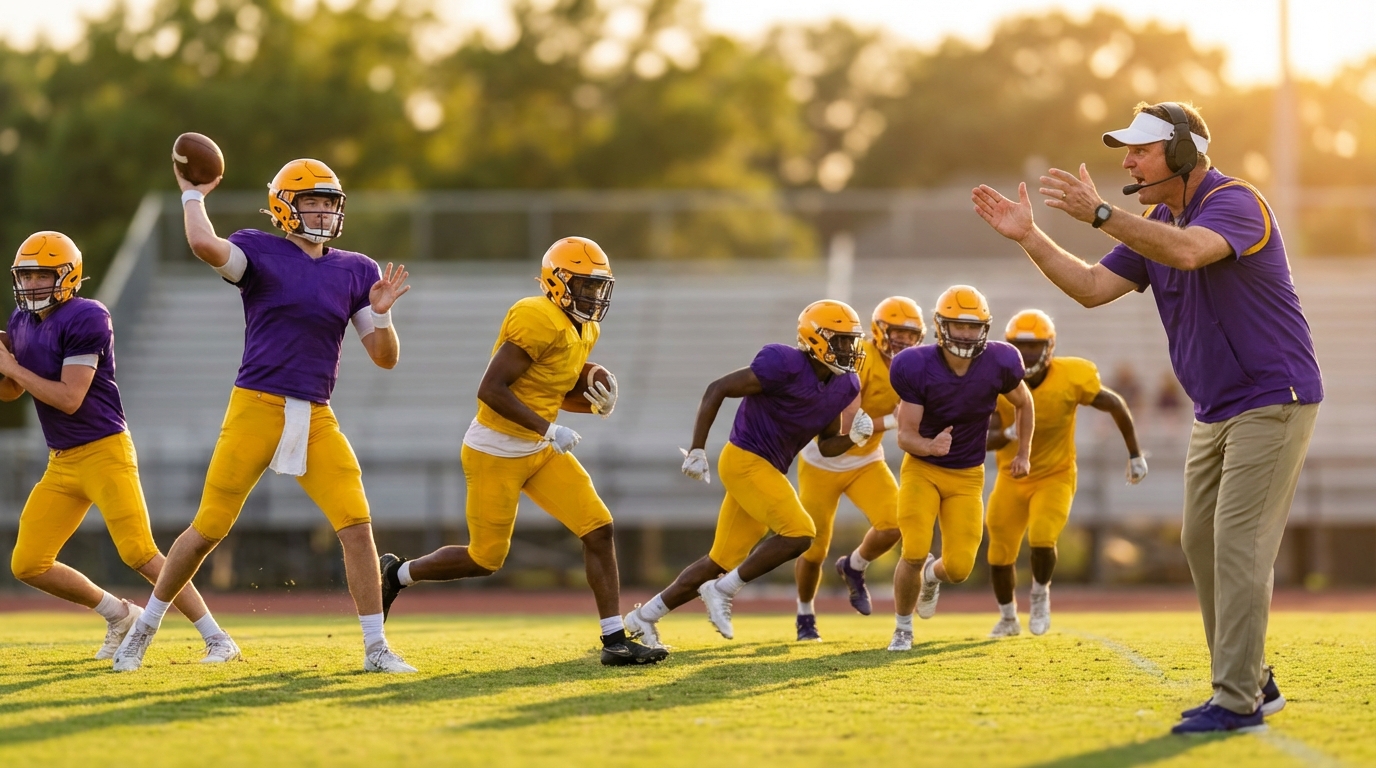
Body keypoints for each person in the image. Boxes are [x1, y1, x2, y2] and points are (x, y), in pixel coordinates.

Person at [973, 100, 1322, 734]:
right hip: (1217, 408)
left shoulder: (1236, 201)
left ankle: (1239, 698)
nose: (1127, 160)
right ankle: (1253, 680)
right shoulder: (1155, 220)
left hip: (1274, 397)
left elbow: (1189, 252)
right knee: (1201, 542)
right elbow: (1089, 287)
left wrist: (1104, 215)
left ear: (1184, 154)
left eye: (1140, 149)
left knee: (1239, 545)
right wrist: (1030, 236)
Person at [113, 158, 416, 673]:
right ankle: (143, 631)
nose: (323, 211)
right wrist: (192, 194)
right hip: (256, 404)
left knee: (357, 524)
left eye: (329, 202)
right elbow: (206, 246)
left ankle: (376, 648)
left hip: (317, 414)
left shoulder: (357, 269)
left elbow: (385, 357)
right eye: (312, 201)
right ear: (284, 207)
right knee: (207, 528)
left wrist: (383, 313)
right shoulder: (260, 248)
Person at [376, 237, 666, 667]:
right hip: (495, 450)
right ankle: (397, 573)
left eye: (597, 286)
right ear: (557, 282)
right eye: (584, 286)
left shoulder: (585, 326)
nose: (593, 296)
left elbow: (552, 386)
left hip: (540, 449)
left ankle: (614, 640)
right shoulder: (535, 316)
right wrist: (549, 429)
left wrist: (592, 402)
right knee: (484, 559)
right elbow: (491, 389)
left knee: (599, 529)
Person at [1, 231, 236, 663]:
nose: (32, 285)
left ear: (68, 276)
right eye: (26, 276)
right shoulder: (20, 322)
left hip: (104, 450)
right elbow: (12, 391)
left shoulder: (87, 316)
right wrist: (5, 372)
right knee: (28, 563)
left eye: (42, 275)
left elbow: (69, 398)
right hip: (61, 461)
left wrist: (12, 366)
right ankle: (118, 614)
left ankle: (217, 637)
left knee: (140, 553)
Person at [624, 300, 870, 649]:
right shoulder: (782, 363)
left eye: (851, 341)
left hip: (767, 470)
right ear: (815, 339)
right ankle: (724, 591)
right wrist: (697, 448)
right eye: (841, 340)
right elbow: (718, 388)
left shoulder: (844, 385)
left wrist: (854, 439)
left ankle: (642, 617)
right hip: (744, 459)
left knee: (719, 561)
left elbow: (826, 444)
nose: (849, 349)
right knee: (800, 533)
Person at [884, 285, 1032, 651]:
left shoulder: (1000, 362)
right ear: (940, 325)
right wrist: (929, 446)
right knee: (914, 549)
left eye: (973, 326)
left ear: (984, 328)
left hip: (967, 475)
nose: (965, 334)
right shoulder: (916, 366)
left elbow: (1024, 403)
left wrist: (1023, 453)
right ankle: (903, 627)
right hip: (923, 469)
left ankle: (932, 578)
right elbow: (905, 436)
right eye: (957, 325)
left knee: (961, 568)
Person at [984, 309, 1145, 638]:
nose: (1028, 354)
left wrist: (1135, 453)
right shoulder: (998, 381)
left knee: (1043, 536)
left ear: (1050, 347)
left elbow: (1114, 403)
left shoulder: (1070, 376)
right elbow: (984, 439)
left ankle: (1040, 595)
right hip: (1012, 476)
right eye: (1021, 346)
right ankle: (1008, 617)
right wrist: (1009, 434)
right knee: (999, 550)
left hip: (1055, 474)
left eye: (1034, 346)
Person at [793, 296, 922, 641]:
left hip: (866, 460)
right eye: (898, 333)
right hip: (825, 458)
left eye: (911, 336)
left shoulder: (912, 364)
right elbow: (849, 426)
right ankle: (805, 614)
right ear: (880, 330)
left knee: (894, 525)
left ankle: (854, 566)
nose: (905, 341)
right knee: (813, 546)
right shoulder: (857, 358)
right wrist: (894, 422)